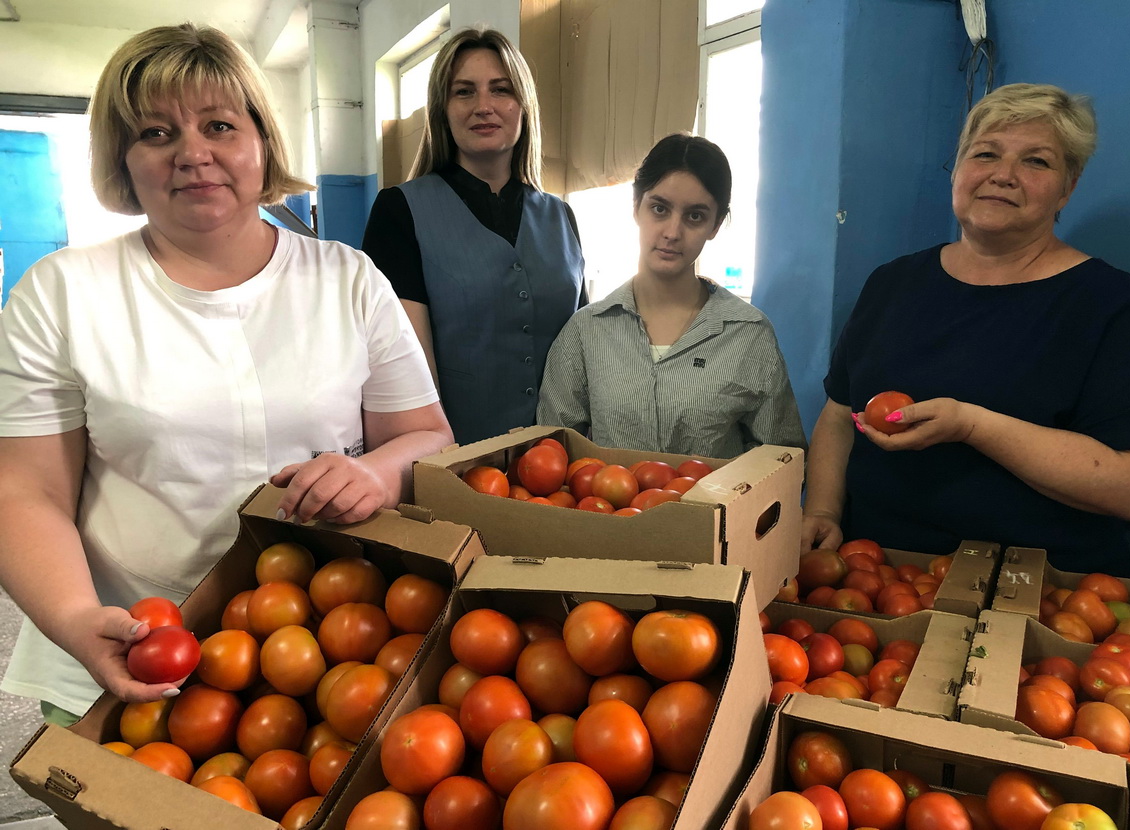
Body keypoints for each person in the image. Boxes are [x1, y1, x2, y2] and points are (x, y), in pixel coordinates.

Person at [0, 23, 453, 722]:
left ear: (262, 142)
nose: (193, 154)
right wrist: (75, 618)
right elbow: (26, 492)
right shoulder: (63, 291)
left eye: (219, 125)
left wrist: (377, 473)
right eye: (156, 133)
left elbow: (426, 436)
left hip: (325, 652)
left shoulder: (347, 279)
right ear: (123, 159)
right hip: (131, 648)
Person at [801, 83, 1130, 575]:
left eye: (1036, 161)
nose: (1003, 175)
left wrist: (972, 426)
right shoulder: (892, 283)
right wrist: (823, 511)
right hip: (875, 575)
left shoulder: (1107, 303)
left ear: (1068, 187)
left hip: (1035, 587)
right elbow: (839, 414)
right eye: (986, 153)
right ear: (957, 169)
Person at [361, 26, 586, 446]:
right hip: (456, 458)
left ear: (523, 105)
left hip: (563, 459)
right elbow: (406, 369)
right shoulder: (400, 212)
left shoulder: (562, 217)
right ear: (442, 110)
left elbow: (584, 348)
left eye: (500, 89)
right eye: (464, 92)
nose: (484, 106)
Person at [536, 133, 806, 458]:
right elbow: (549, 455)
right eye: (660, 208)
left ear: (716, 224)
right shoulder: (585, 332)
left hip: (717, 495)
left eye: (695, 216)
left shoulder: (749, 334)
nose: (672, 233)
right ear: (636, 206)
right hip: (608, 494)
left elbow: (782, 460)